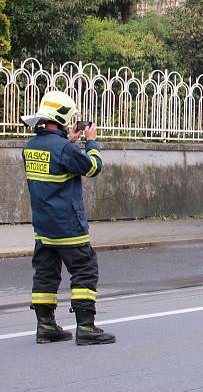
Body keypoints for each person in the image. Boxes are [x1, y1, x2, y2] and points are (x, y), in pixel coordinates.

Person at [21, 91, 116, 345]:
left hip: (43, 228)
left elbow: (57, 159)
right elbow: (93, 167)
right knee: (84, 270)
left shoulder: (30, 147)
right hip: (69, 227)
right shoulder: (64, 149)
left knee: (45, 275)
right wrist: (91, 143)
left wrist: (69, 141)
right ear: (63, 117)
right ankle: (86, 327)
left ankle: (45, 326)